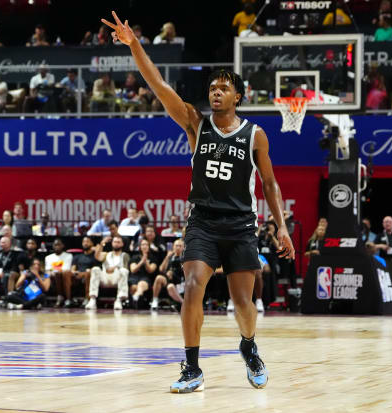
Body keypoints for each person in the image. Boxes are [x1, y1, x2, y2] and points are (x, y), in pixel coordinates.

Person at [102, 11, 294, 393]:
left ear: (238, 95)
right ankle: (192, 366)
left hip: (241, 225)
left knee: (244, 305)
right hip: (203, 222)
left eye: (223, 87)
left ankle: (249, 345)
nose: (215, 92)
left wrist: (282, 227)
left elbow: (270, 184)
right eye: (212, 87)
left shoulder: (255, 135)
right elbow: (159, 86)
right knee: (192, 285)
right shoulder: (195, 123)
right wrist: (135, 44)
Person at [85, 235, 130, 310]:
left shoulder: (125, 255)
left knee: (124, 271)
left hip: (117, 278)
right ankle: (92, 299)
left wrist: (115, 268)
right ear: (112, 243)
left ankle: (119, 300)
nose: (116, 244)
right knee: (95, 269)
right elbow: (97, 256)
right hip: (105, 277)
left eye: (118, 242)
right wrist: (102, 243)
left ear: (122, 244)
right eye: (115, 242)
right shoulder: (106, 254)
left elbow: (126, 268)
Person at [69, 236, 100, 306]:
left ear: (92, 244)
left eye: (87, 242)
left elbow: (97, 268)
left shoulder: (95, 257)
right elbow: (73, 269)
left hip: (88, 275)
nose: (85, 243)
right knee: (66, 273)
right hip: (78, 275)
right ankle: (68, 299)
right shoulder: (77, 256)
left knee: (88, 274)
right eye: (84, 242)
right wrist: (74, 272)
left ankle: (87, 298)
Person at [129, 239, 158, 308]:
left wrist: (146, 262)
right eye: (143, 244)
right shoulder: (134, 257)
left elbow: (150, 270)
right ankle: (136, 301)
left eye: (146, 244)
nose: (145, 246)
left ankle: (135, 297)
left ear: (149, 246)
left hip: (146, 278)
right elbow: (133, 270)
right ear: (140, 247)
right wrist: (141, 261)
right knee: (134, 287)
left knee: (141, 284)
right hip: (134, 277)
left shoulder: (153, 258)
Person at [46, 239, 74, 307]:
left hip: (64, 275)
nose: (57, 247)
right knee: (54, 274)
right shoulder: (48, 257)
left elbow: (66, 269)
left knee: (60, 274)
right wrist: (51, 273)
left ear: (63, 246)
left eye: (59, 245)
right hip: (53, 276)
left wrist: (55, 271)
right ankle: (60, 297)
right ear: (53, 246)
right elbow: (48, 270)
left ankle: (65, 298)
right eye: (55, 245)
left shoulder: (68, 256)